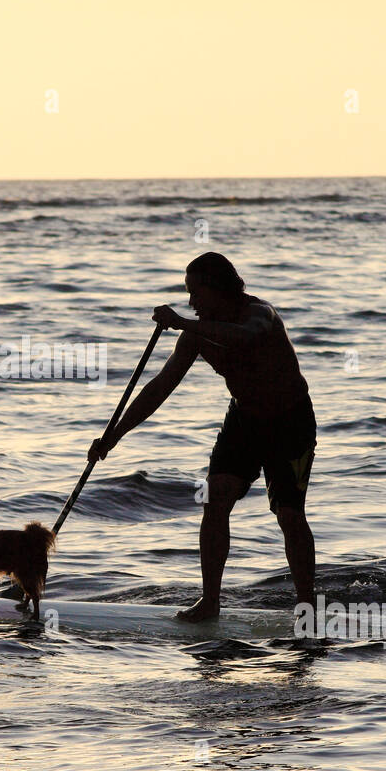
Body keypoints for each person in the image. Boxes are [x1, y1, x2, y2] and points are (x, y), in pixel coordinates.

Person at [88, 252, 316, 621]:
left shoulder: (260, 314)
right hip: (244, 420)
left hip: (291, 422)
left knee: (289, 514)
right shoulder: (197, 335)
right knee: (215, 499)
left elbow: (244, 338)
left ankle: (306, 605)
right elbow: (159, 387)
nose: (191, 302)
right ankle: (210, 602)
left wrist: (181, 322)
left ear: (220, 288)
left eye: (196, 292)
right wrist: (113, 437)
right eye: (188, 294)